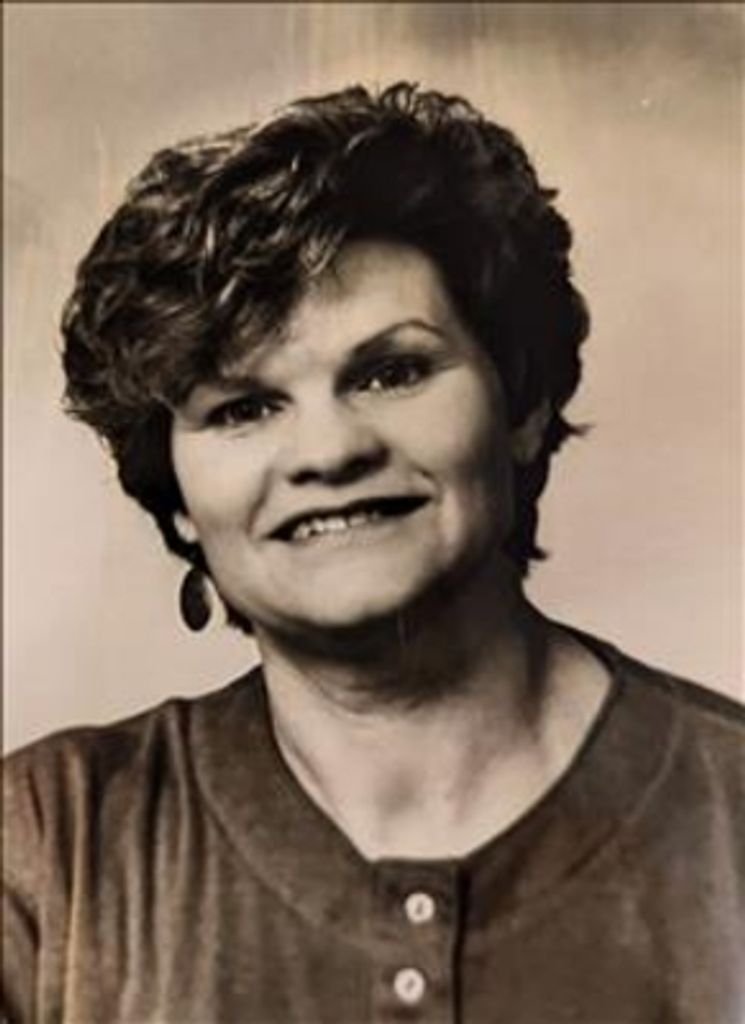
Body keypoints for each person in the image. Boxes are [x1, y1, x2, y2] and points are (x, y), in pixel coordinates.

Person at [3, 82, 744, 1024]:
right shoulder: (43, 846)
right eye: (242, 408)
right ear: (177, 497)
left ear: (521, 403)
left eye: (393, 372)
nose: (328, 452)